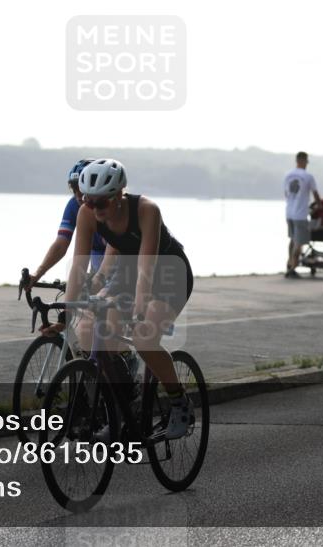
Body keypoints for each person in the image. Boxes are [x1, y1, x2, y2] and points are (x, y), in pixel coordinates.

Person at [65, 159, 195, 439]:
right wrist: (66, 310)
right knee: (94, 330)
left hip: (168, 272)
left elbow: (146, 269)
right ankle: (123, 412)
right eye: (89, 202)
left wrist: (139, 308)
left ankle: (179, 403)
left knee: (144, 339)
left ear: (120, 195)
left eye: (102, 203)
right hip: (129, 272)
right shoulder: (87, 214)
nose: (95, 209)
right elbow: (78, 266)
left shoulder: (147, 210)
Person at [28, 159, 108, 290]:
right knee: (84, 302)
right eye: (74, 188)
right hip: (98, 258)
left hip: (124, 259)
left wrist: (99, 279)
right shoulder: (74, 205)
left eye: (81, 188)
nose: (77, 194)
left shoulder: (109, 206)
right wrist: (37, 273)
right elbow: (61, 244)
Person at [283, 151, 320, 279]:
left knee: (292, 239)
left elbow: (286, 194)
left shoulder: (287, 175)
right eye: (307, 161)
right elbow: (315, 194)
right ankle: (293, 268)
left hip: (289, 212)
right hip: (301, 214)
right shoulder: (308, 176)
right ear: (304, 161)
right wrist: (319, 205)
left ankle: (288, 263)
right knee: (299, 243)